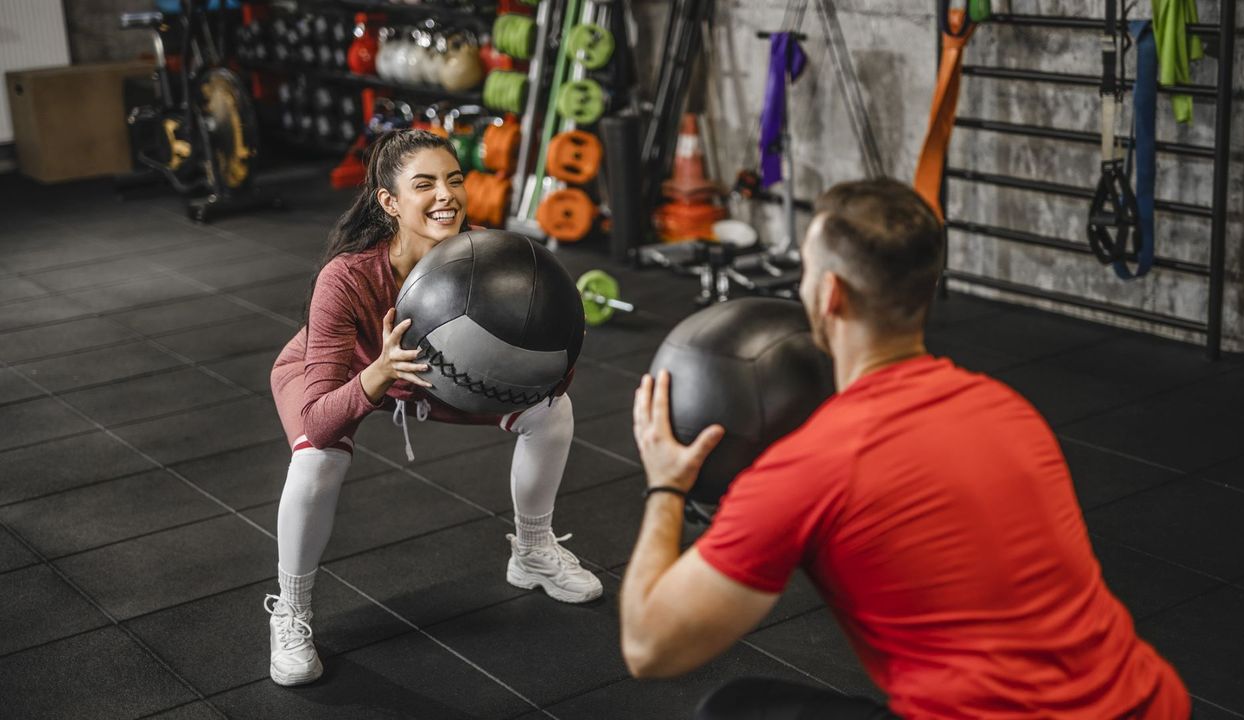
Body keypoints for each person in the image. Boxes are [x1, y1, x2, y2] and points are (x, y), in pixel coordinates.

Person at [620, 179, 1189, 719]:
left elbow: (648, 646)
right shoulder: (1008, 408)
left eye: (806, 271)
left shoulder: (810, 469)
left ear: (829, 293)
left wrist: (666, 485)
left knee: (732, 710)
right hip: (1152, 701)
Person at [264, 129, 602, 688]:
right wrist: (379, 371)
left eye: (454, 180)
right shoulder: (346, 279)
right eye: (424, 185)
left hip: (434, 379)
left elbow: (554, 377)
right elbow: (318, 418)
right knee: (318, 456)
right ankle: (292, 611)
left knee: (551, 413)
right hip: (351, 372)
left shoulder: (490, 260)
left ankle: (534, 551)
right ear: (389, 202)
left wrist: (556, 347)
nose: (445, 195)